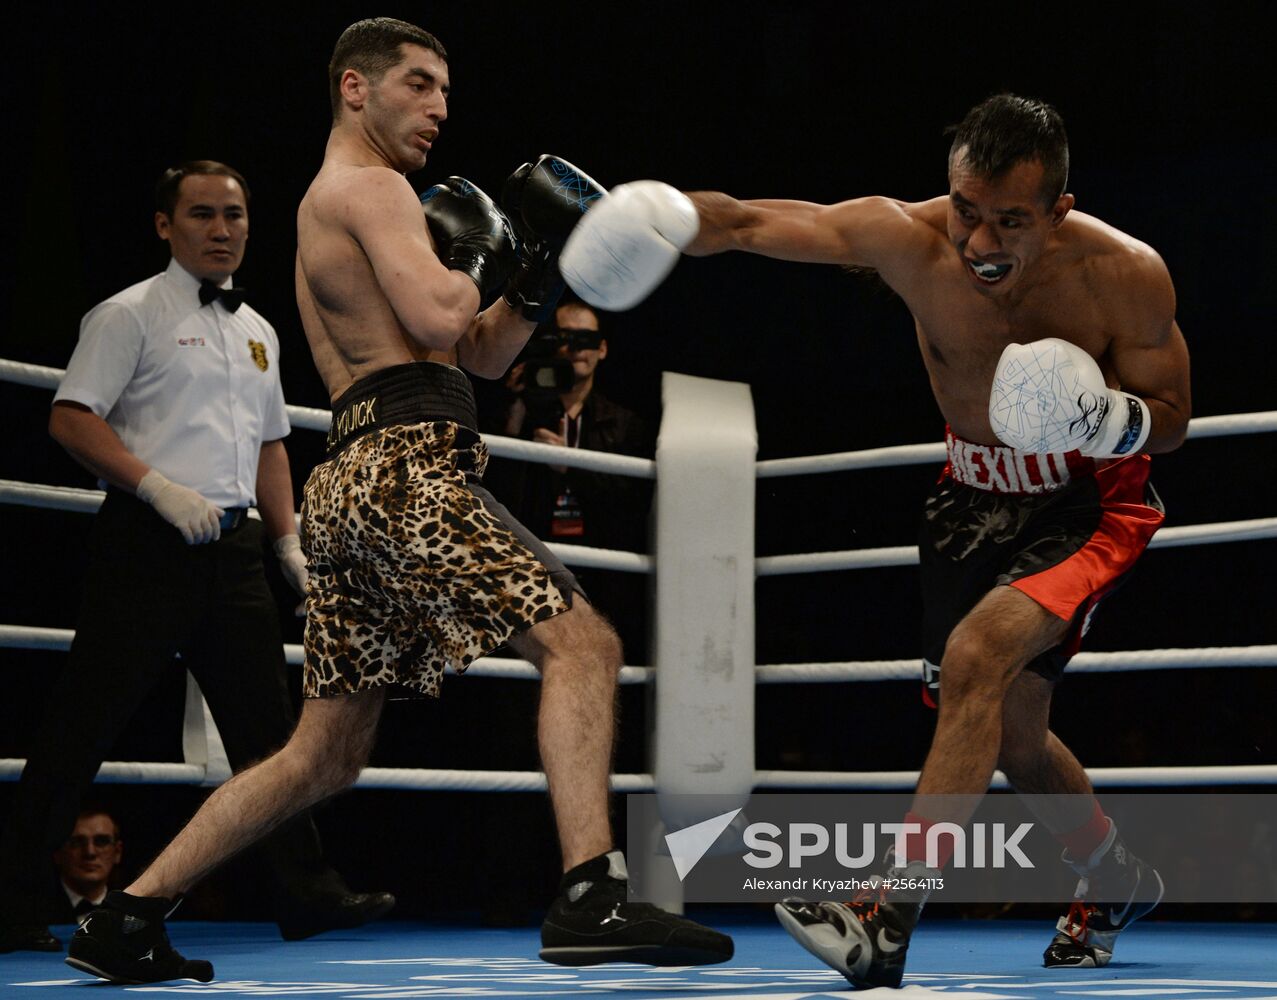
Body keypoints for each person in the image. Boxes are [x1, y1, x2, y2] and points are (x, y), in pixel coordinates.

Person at [66, 18, 732, 985]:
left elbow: (482, 351)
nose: (439, 108)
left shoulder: (361, 203)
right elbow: (437, 314)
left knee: (322, 755)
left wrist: (535, 273)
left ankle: (126, 917)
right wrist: (481, 257)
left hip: (363, 476)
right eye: (418, 84)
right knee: (584, 643)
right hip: (401, 467)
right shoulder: (368, 188)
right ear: (354, 88)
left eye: (446, 91)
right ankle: (590, 892)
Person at [561, 94, 1190, 988]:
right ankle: (1112, 875)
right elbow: (749, 224)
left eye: (1008, 220)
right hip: (968, 499)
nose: (977, 242)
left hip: (1086, 504)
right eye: (966, 210)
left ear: (1058, 208)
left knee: (977, 659)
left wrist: (1103, 416)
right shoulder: (908, 239)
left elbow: (1171, 421)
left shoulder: (1125, 274)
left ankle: (881, 916)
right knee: (1011, 737)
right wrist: (661, 215)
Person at [0, 160, 394, 957]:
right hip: (147, 545)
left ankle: (303, 890)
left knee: (270, 733)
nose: (222, 230)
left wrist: (287, 541)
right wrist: (157, 490)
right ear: (165, 226)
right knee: (83, 724)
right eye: (204, 214)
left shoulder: (257, 331)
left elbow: (273, 444)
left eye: (235, 215)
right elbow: (71, 419)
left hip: (237, 553)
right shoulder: (127, 314)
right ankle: (7, 900)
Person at [484, 297, 653, 652]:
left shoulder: (625, 424)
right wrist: (514, 423)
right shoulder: (522, 411)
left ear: (602, 349)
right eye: (565, 338)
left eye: (586, 340)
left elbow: (633, 502)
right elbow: (491, 494)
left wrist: (570, 468)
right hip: (533, 557)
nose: (575, 349)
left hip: (603, 565)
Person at [50, 810, 124, 925]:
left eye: (101, 841)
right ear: (58, 853)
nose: (90, 852)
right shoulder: (29, 911)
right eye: (77, 842)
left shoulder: (132, 913)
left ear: (117, 852)